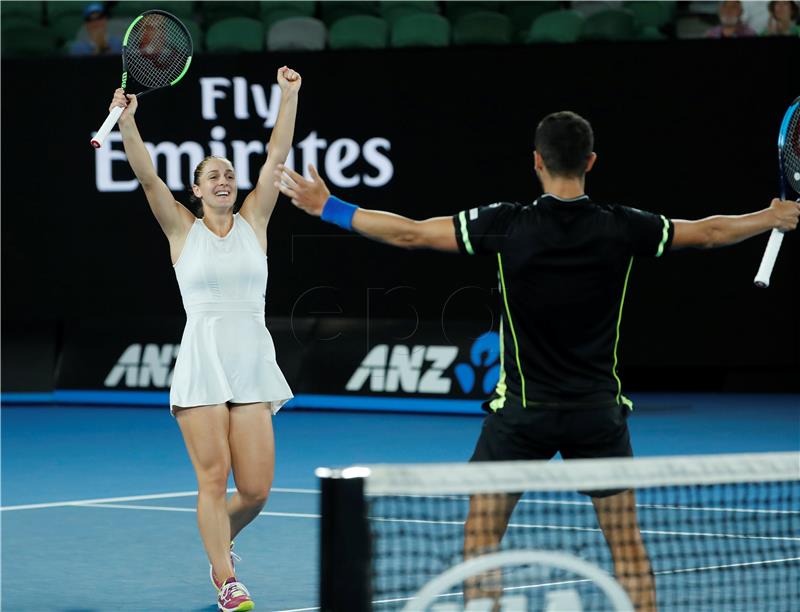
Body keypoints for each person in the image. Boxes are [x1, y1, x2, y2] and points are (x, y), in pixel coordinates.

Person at [274, 111, 800, 610]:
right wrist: (769, 217)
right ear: (591, 161)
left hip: (521, 417)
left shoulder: (507, 224)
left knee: (480, 536)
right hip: (597, 416)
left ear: (537, 161)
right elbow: (707, 231)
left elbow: (411, 233)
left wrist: (330, 208)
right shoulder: (622, 226)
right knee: (626, 545)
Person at [111, 65, 301, 612]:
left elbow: (277, 157)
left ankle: (221, 542)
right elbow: (148, 178)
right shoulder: (181, 230)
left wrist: (287, 96)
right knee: (213, 478)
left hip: (253, 361)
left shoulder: (255, 222)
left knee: (258, 489)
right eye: (211, 176)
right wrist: (127, 124)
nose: (224, 181)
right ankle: (225, 579)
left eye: (228, 176)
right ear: (195, 190)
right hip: (204, 361)